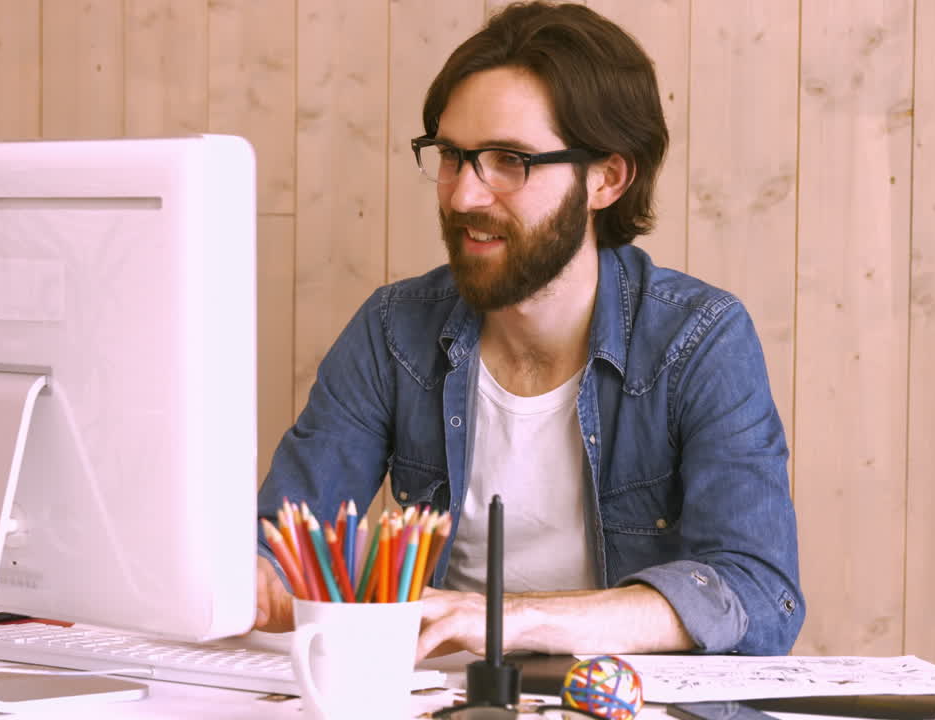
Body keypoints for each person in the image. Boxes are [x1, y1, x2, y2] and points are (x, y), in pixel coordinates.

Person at [254, 0, 805, 659]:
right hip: (439, 699)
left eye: (510, 160)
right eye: (453, 156)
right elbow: (283, 542)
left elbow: (757, 593)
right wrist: (239, 582)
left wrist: (510, 619)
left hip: (620, 703)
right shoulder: (392, 331)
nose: (462, 195)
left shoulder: (699, 340)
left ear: (606, 177)